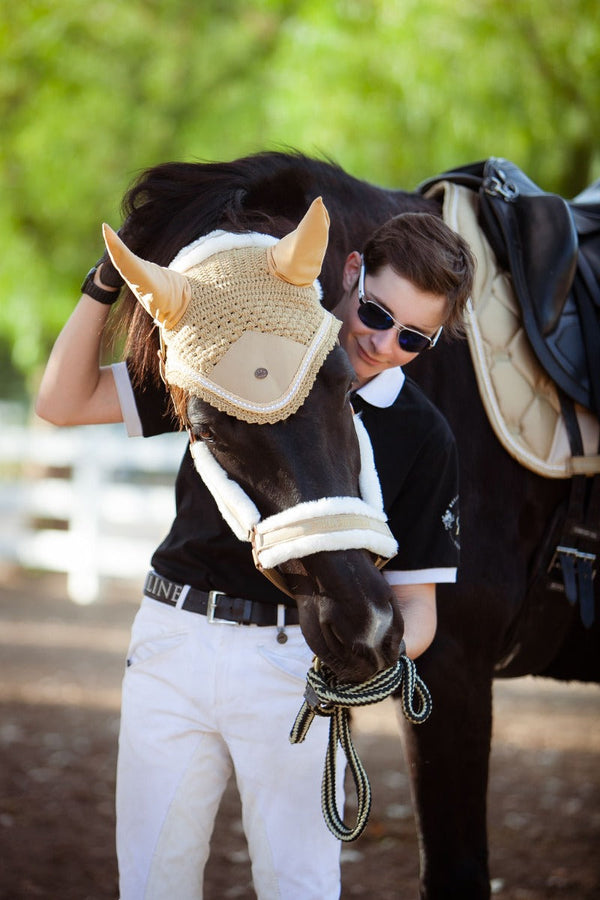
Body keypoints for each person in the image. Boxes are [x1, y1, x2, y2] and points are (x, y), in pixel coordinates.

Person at [35, 168, 474, 899]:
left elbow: (419, 607)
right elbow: (61, 400)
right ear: (351, 269)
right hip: (173, 637)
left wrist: (374, 653)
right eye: (375, 313)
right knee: (151, 881)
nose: (383, 343)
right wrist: (106, 282)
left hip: (295, 666)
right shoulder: (232, 339)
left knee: (299, 885)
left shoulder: (425, 437)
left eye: (414, 339)